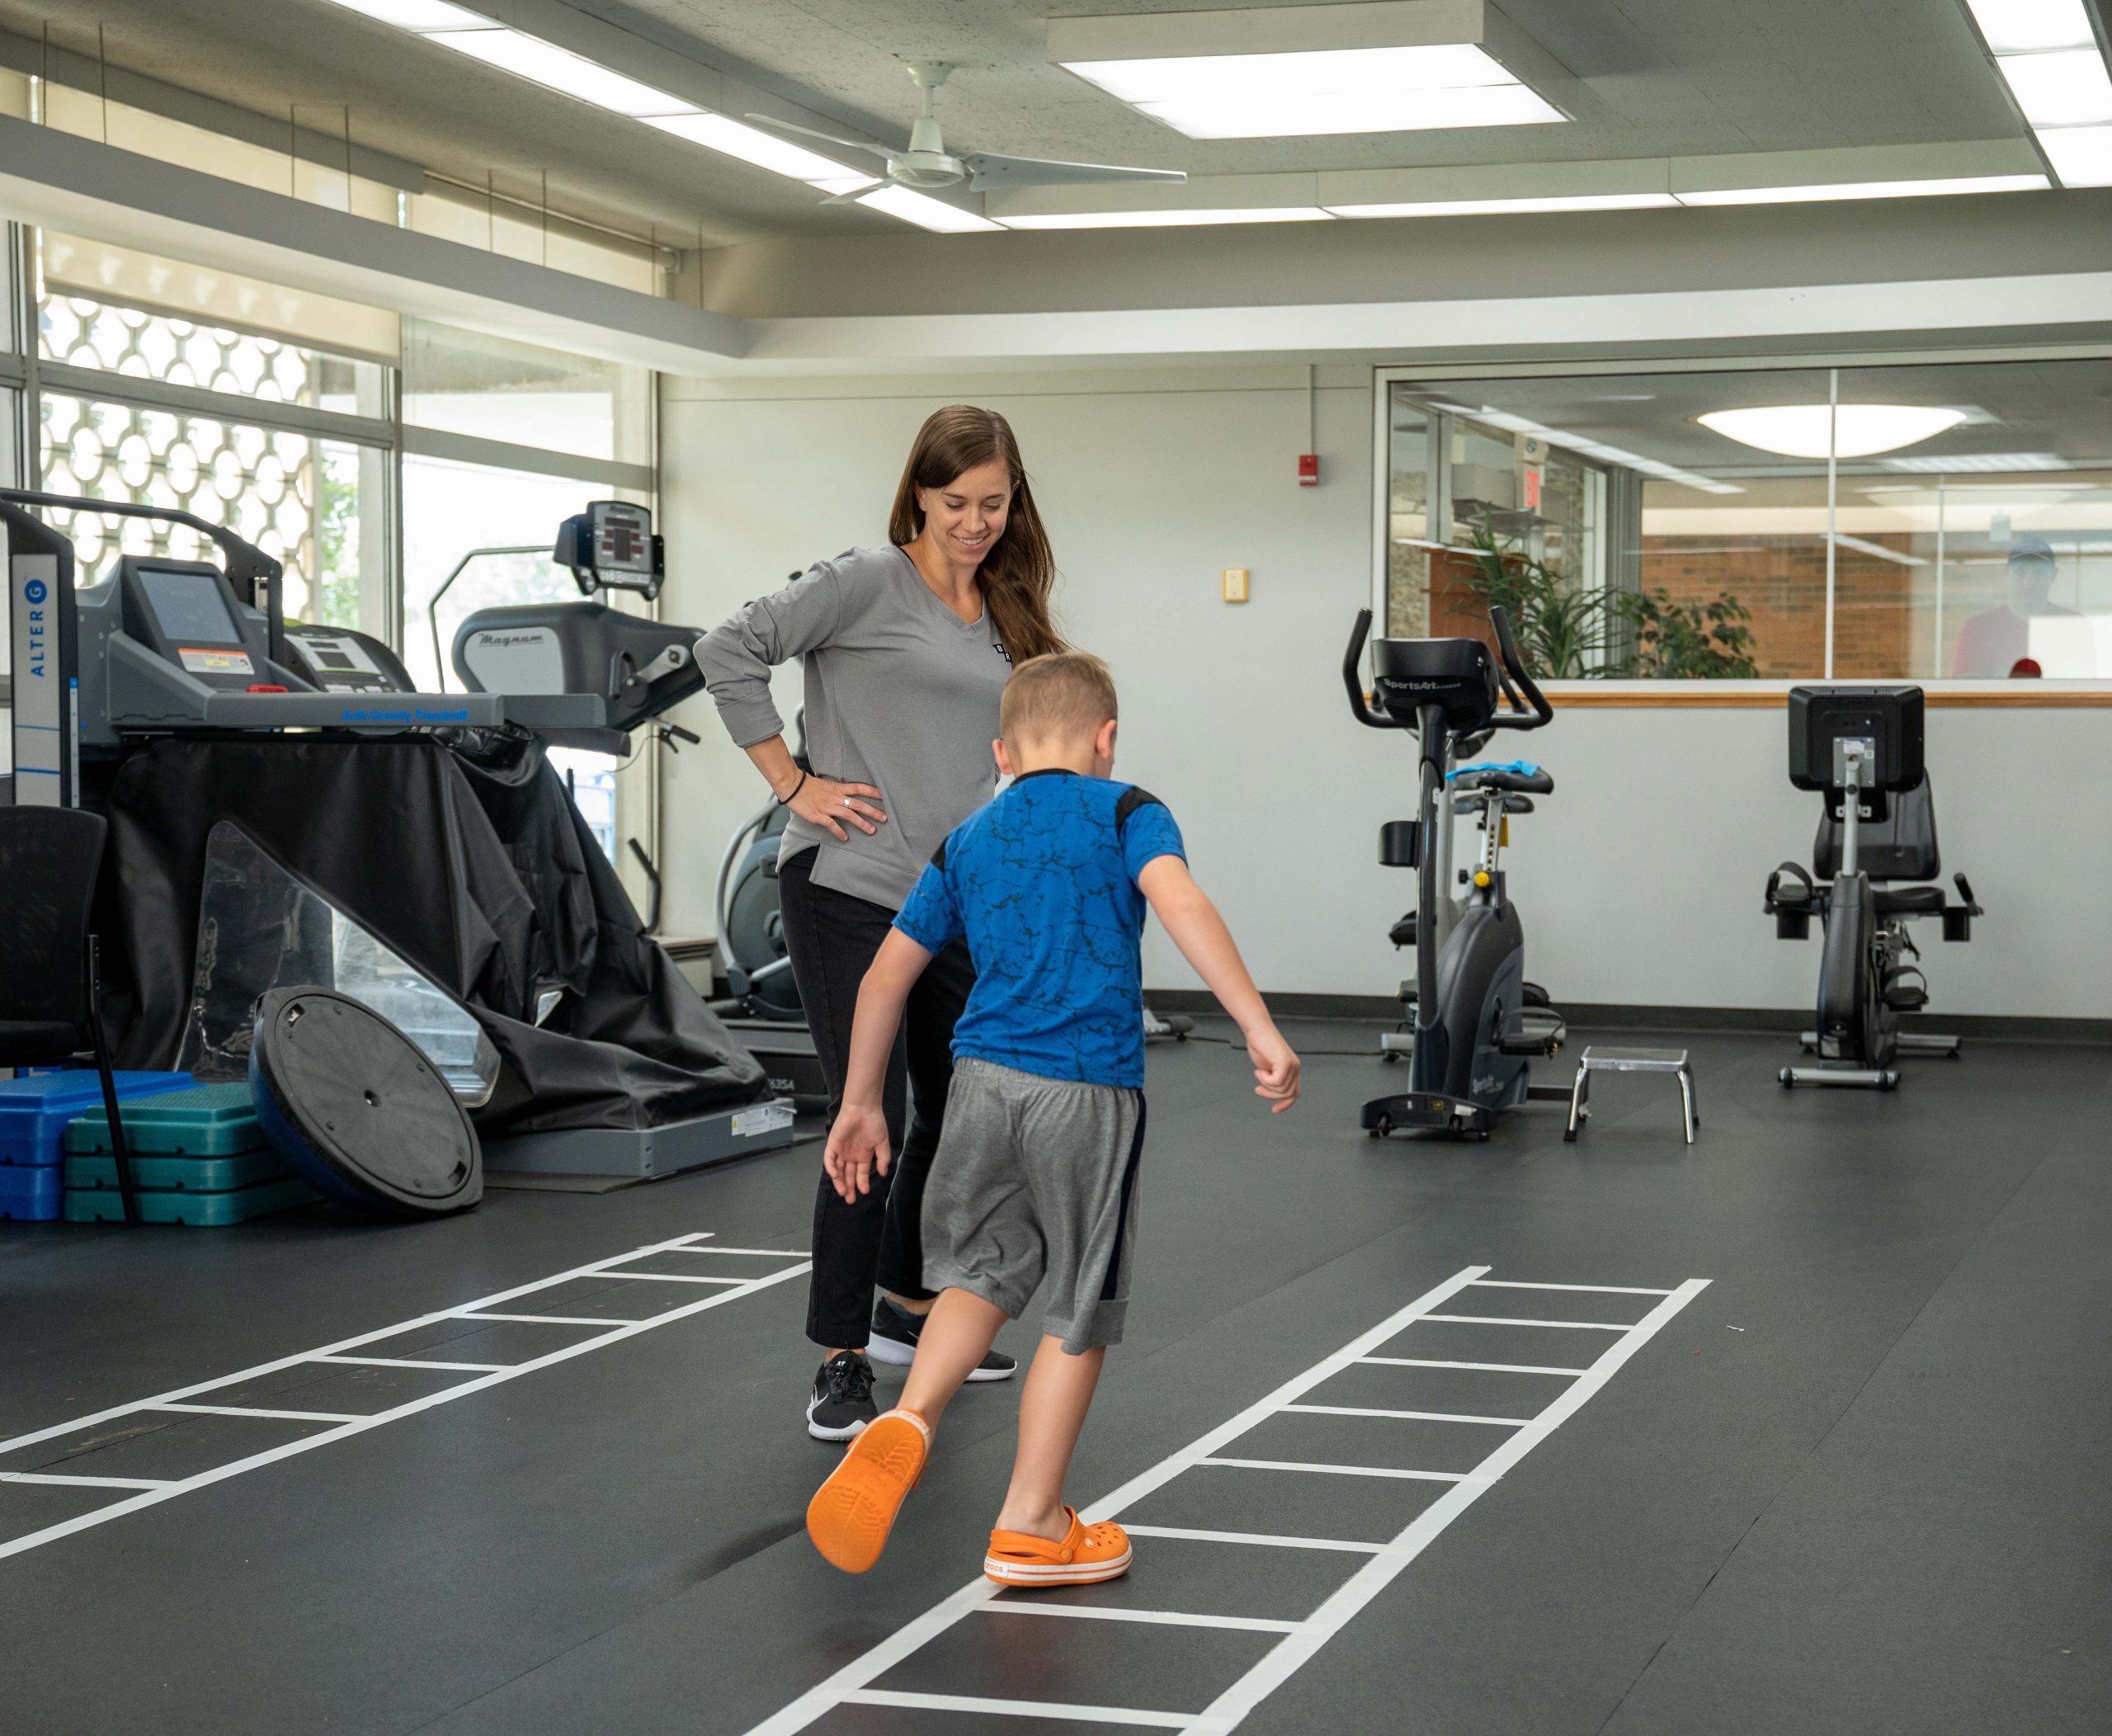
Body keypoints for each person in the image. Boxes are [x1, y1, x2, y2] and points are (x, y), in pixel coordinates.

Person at [801, 651, 1300, 1587]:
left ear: (1000, 751)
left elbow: (884, 975)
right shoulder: (1126, 811)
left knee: (981, 1272)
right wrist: (1257, 1024)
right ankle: (1030, 1521)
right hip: (1086, 1090)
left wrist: (862, 1101)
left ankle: (910, 1415)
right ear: (1105, 739)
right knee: (1077, 1307)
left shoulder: (970, 836)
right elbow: (1178, 898)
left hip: (980, 1084)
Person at [696, 406, 1065, 1441]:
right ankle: (842, 1358)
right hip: (850, 885)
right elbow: (727, 650)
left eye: (995, 503)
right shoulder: (865, 580)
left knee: (961, 1117)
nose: (978, 522)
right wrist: (793, 783)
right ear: (918, 494)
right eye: (957, 503)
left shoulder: (1006, 606)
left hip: (954, 898)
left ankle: (908, 1309)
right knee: (873, 1118)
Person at [1951, 535, 2085, 677]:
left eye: (2038, 573)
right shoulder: (1978, 628)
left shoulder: (2074, 626)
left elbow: (2085, 688)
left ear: (2053, 575)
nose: (2028, 582)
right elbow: (1967, 693)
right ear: (2007, 573)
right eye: (2020, 572)